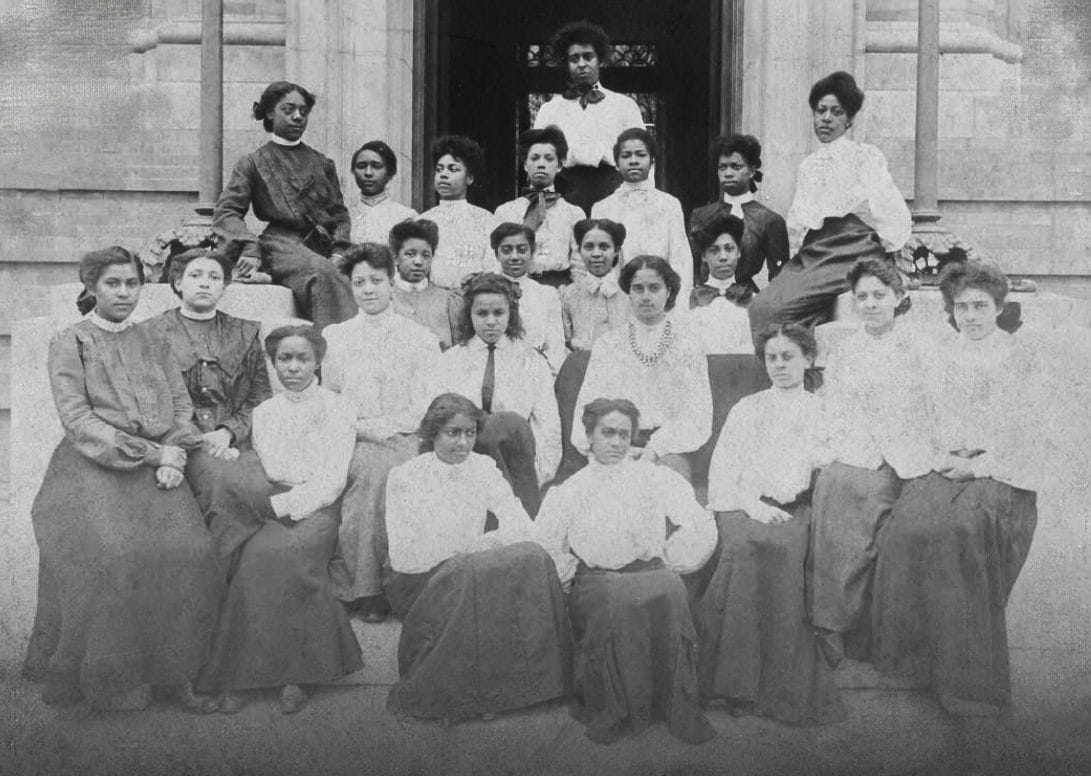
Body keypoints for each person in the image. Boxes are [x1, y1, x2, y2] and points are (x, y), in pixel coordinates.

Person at [24, 246, 222, 712]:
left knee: (192, 552)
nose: (124, 293)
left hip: (160, 465)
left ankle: (178, 675)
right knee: (119, 554)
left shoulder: (152, 338)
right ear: (91, 287)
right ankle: (115, 679)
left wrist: (175, 454)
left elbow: (178, 403)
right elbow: (78, 419)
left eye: (132, 284)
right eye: (113, 284)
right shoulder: (70, 341)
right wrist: (154, 454)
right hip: (90, 469)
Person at [870, 261, 1043, 717]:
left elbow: (1032, 433)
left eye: (980, 306)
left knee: (960, 535)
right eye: (961, 306)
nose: (970, 315)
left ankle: (967, 683)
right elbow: (916, 417)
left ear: (999, 307)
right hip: (944, 464)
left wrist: (981, 466)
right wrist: (938, 457)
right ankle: (915, 661)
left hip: (1000, 474)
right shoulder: (939, 357)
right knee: (906, 528)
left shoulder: (1021, 359)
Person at [196, 325, 362, 714]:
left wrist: (284, 505)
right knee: (253, 558)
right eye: (284, 359)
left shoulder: (339, 408)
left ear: (318, 361)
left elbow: (332, 479)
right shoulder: (264, 412)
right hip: (273, 499)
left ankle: (295, 675)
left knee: (289, 557)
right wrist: (271, 498)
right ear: (272, 364)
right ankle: (239, 677)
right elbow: (271, 467)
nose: (293, 367)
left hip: (318, 506)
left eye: (302, 358)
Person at [537, 397, 716, 744]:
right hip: (597, 581)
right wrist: (570, 572)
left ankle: (675, 704)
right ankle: (617, 708)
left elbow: (697, 521)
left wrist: (674, 557)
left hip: (650, 570)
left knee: (672, 588)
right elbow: (545, 541)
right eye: (608, 433)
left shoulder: (654, 477)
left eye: (624, 434)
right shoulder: (572, 488)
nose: (617, 443)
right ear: (589, 435)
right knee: (619, 597)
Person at [384, 393, 571, 722]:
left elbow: (519, 522)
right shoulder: (405, 477)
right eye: (452, 433)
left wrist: (491, 541)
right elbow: (405, 556)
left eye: (470, 433)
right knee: (481, 568)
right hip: (423, 579)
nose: (463, 443)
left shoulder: (482, 467)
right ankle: (471, 693)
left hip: (471, 567)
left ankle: (534, 685)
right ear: (432, 433)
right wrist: (470, 548)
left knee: (533, 555)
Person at [696, 324, 841, 725]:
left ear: (808, 360)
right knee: (744, 549)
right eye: (772, 358)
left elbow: (826, 460)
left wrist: (797, 483)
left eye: (788, 356)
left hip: (797, 508)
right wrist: (753, 505)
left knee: (782, 550)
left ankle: (769, 682)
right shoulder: (748, 407)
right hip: (741, 504)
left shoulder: (822, 409)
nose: (779, 365)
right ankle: (729, 681)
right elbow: (724, 470)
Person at [807, 258, 936, 665]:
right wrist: (852, 448)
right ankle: (831, 622)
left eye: (879, 295)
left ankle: (893, 639)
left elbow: (933, 410)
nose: (870, 304)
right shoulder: (846, 350)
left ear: (899, 298)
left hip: (911, 455)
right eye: (862, 297)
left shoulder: (921, 348)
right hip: (859, 448)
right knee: (836, 491)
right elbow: (835, 408)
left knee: (899, 517)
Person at [323, 243, 441, 622]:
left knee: (392, 472)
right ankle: (365, 588)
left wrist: (389, 428)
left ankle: (394, 587)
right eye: (359, 282)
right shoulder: (336, 337)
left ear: (391, 282)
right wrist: (360, 429)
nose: (368, 290)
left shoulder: (419, 338)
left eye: (376, 280)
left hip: (405, 434)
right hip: (352, 436)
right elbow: (330, 398)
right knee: (371, 472)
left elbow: (426, 403)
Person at [748, 71, 911, 336]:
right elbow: (799, 224)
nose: (826, 118)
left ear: (849, 119)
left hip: (851, 249)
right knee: (761, 308)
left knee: (771, 311)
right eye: (820, 110)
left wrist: (885, 253)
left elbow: (890, 210)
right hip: (813, 253)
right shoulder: (808, 165)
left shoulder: (865, 156)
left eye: (836, 112)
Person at [145, 248, 274, 562]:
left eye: (214, 277)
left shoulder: (244, 331)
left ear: (224, 287)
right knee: (216, 486)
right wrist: (195, 438)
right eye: (195, 275)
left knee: (252, 487)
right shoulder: (151, 332)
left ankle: (235, 584)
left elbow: (260, 396)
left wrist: (228, 433)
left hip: (234, 441)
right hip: (177, 439)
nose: (205, 283)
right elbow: (151, 398)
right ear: (177, 283)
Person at [213, 81, 356, 330]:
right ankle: (332, 354)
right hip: (280, 245)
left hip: (322, 245)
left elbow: (339, 214)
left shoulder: (323, 163)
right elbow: (228, 211)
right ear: (270, 112)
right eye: (288, 110)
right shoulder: (253, 163)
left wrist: (339, 250)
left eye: (303, 111)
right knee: (320, 274)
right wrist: (248, 245)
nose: (297, 116)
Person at [427, 273, 561, 515]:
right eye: (482, 314)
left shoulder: (530, 361)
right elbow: (438, 422)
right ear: (469, 315)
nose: (490, 322)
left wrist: (538, 473)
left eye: (498, 313)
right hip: (464, 458)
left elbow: (548, 426)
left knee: (508, 423)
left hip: (517, 462)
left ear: (511, 314)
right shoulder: (451, 360)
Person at [574, 256, 710, 481]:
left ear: (669, 292)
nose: (646, 296)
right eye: (638, 289)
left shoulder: (688, 346)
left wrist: (655, 449)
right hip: (615, 443)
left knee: (664, 483)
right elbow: (590, 405)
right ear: (629, 292)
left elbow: (697, 413)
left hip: (669, 448)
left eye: (654, 288)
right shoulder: (608, 344)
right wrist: (613, 447)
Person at [533, 20, 644, 214]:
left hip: (612, 191)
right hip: (564, 192)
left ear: (600, 60)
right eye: (574, 59)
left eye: (588, 57)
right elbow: (537, 159)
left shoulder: (624, 106)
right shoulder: (550, 110)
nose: (582, 64)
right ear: (566, 64)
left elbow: (641, 155)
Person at [592, 128, 693, 299]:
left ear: (652, 161)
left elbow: (680, 258)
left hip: (659, 295)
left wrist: (676, 301)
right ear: (616, 163)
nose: (633, 161)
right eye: (626, 156)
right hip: (618, 295)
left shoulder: (669, 204)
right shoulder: (602, 208)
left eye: (640, 155)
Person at [689, 134, 789, 295]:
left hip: (746, 299)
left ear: (751, 171)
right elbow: (691, 269)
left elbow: (779, 279)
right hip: (705, 301)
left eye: (736, 167)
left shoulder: (770, 220)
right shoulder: (701, 216)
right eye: (722, 167)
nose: (728, 173)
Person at [493, 126, 584, 286]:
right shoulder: (505, 211)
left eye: (549, 159)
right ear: (525, 165)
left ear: (560, 165)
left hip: (559, 290)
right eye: (534, 158)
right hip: (517, 288)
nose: (541, 164)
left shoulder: (573, 213)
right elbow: (495, 260)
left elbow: (579, 265)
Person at [418, 135, 500, 289]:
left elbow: (494, 267)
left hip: (476, 298)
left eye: (453, 169)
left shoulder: (486, 220)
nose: (443, 174)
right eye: (439, 169)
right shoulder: (422, 222)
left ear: (469, 178)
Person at [491, 222, 567, 374]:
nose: (514, 257)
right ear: (496, 254)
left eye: (521, 250)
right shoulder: (485, 290)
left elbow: (555, 345)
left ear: (532, 253)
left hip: (536, 373)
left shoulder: (546, 294)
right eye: (506, 251)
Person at [388, 219, 462, 350]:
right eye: (410, 254)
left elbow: (460, 351)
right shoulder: (386, 298)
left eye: (426, 255)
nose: (418, 261)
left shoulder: (448, 300)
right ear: (395, 258)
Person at [686, 212, 754, 355]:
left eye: (729, 249)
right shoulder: (690, 300)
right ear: (704, 256)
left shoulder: (752, 299)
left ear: (739, 252)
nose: (723, 257)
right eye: (714, 250)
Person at [559, 217, 629, 351]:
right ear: (579, 250)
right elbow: (566, 341)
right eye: (589, 247)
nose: (596, 254)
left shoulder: (629, 291)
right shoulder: (569, 294)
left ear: (616, 250)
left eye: (604, 247)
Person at [348, 139, 418, 244]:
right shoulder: (344, 216)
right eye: (361, 166)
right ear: (353, 171)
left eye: (376, 166)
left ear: (389, 173)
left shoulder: (406, 217)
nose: (368, 173)